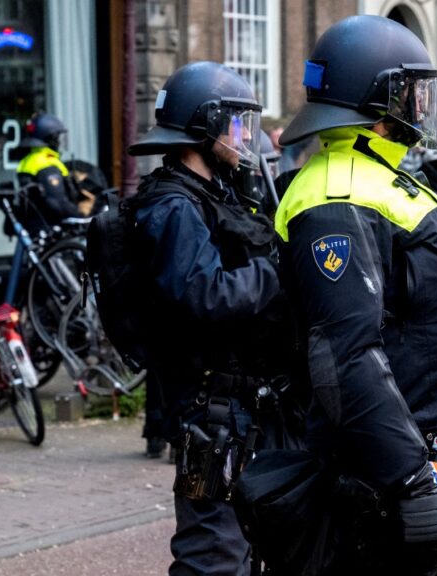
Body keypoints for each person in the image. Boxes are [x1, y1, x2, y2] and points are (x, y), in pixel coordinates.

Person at [274, 16, 437, 573]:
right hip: (385, 477)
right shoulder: (336, 195)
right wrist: (410, 478)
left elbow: (423, 309)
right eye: (414, 92)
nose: (422, 107)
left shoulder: (378, 174)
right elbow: (344, 357)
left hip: (425, 455)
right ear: (381, 98)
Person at [116, 61, 300, 575]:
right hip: (210, 412)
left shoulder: (210, 196)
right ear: (204, 126)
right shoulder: (172, 206)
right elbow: (205, 295)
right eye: (236, 126)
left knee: (242, 546)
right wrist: (279, 270)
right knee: (212, 555)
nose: (244, 139)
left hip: (236, 404)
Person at [16, 112, 89, 232]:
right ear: (49, 137)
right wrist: (82, 217)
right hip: (53, 231)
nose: (59, 142)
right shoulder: (46, 164)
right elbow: (57, 204)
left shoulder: (29, 159)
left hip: (35, 227)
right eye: (57, 137)